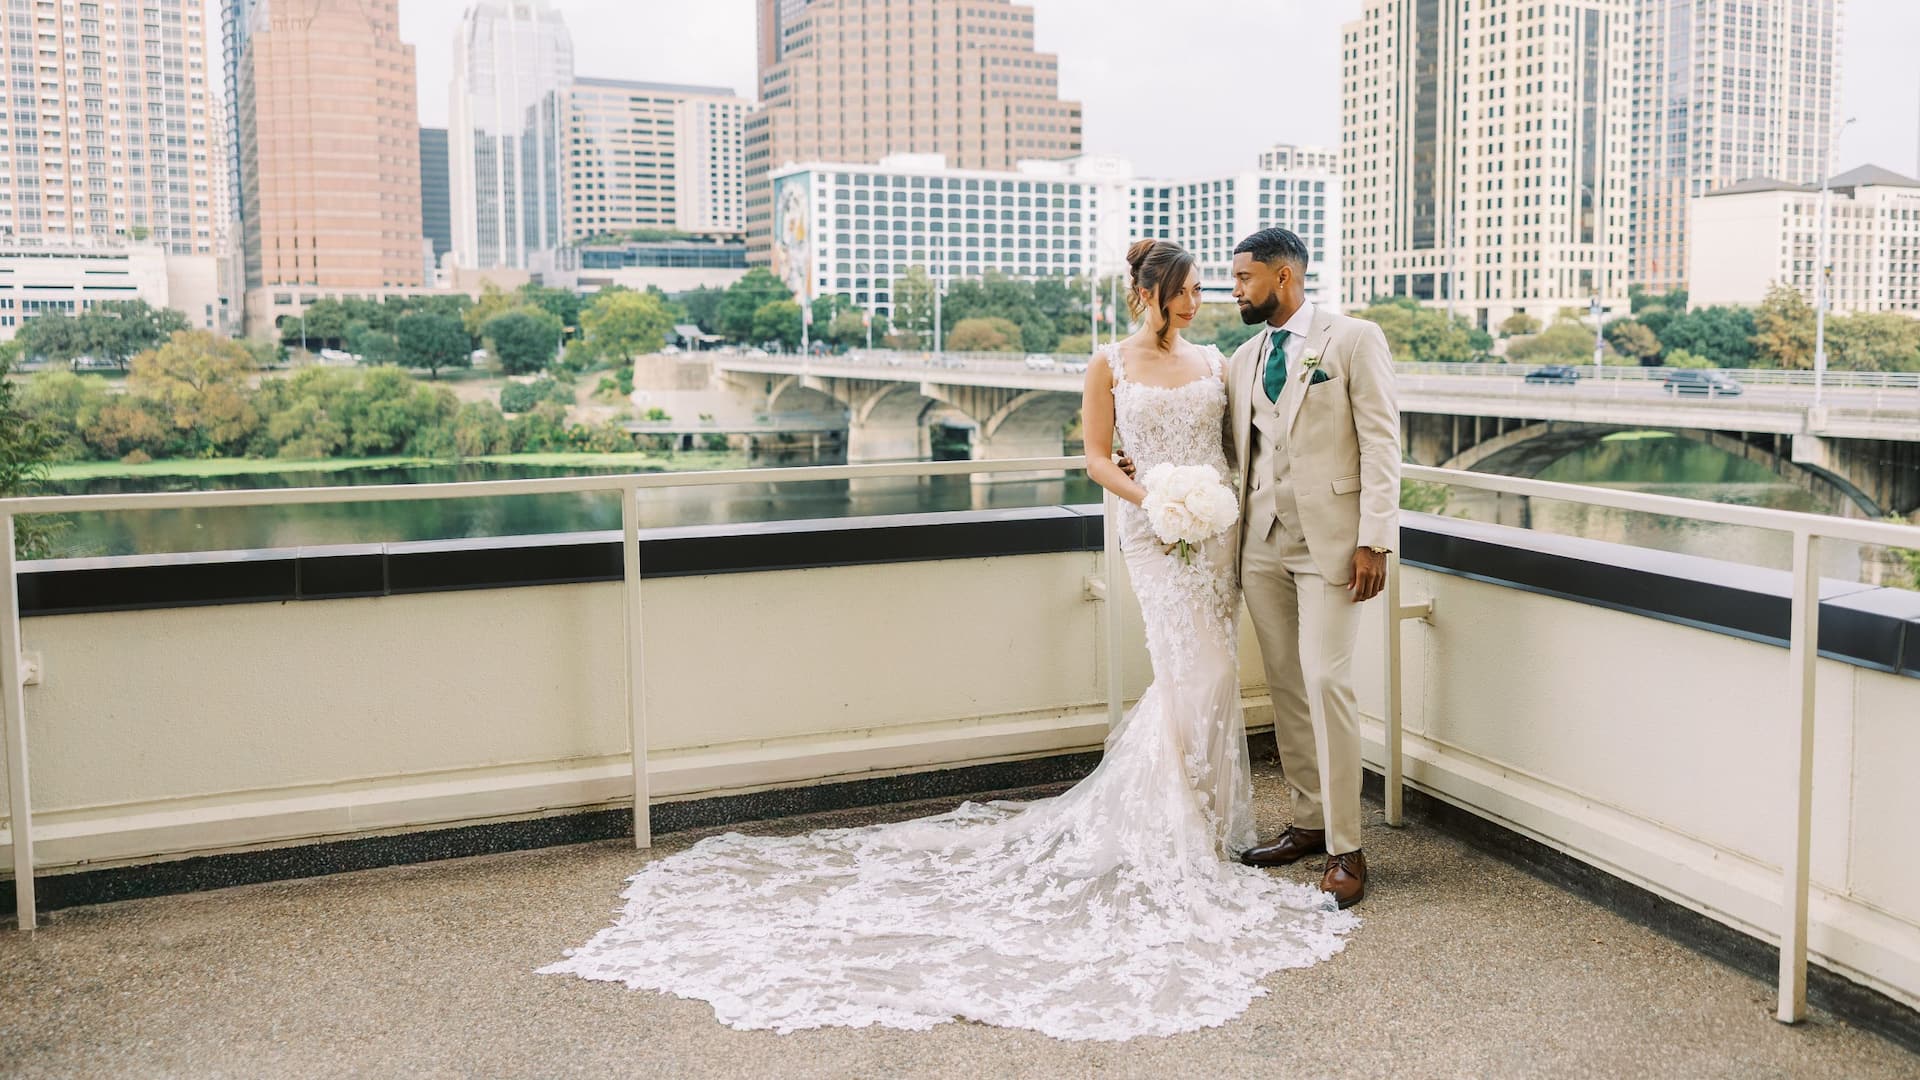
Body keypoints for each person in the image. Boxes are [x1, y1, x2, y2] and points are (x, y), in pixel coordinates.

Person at [539, 238, 1356, 1042]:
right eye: (1185, 288)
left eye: (1205, 288)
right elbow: (1097, 458)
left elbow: (1234, 449)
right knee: (1194, 671)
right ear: (1148, 293)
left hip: (1214, 536)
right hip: (1149, 530)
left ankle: (1204, 824)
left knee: (1206, 677)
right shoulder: (1108, 363)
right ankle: (1177, 827)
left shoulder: (1220, 361)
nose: (1198, 299)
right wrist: (1154, 498)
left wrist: (1206, 501)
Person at [1223, 227, 1402, 908]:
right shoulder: (1243, 357)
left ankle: (1347, 848)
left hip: (1334, 543)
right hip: (1261, 543)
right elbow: (1232, 450)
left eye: (1244, 279)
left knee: (1328, 680)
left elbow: (1382, 443)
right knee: (1288, 686)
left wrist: (1375, 539)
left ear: (1283, 278)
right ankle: (1306, 820)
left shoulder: (1354, 340)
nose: (1236, 290)